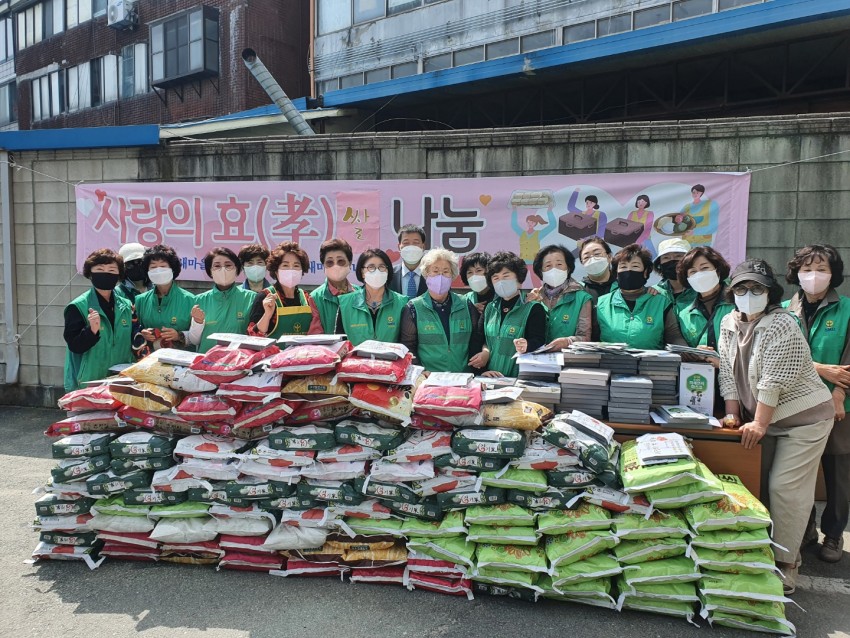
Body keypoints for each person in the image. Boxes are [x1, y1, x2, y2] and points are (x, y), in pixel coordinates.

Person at [718, 259, 834, 594]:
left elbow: (773, 381)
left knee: (785, 487)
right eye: (741, 288)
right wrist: (731, 413)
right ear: (733, 292)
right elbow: (727, 370)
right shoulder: (728, 321)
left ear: (770, 293)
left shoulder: (784, 323)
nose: (748, 294)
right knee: (761, 486)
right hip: (763, 418)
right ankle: (773, 544)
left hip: (804, 419)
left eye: (757, 288)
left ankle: (787, 562)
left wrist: (758, 422)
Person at [784, 244, 850, 563]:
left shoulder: (847, 309)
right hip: (796, 404)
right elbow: (782, 359)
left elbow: (848, 363)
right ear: (796, 272)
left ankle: (834, 535)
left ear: (833, 274)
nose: (813, 275)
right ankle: (805, 528)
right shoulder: (783, 310)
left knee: (837, 472)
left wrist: (839, 396)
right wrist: (821, 368)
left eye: (821, 269)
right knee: (799, 472)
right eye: (807, 268)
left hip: (838, 407)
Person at [400, 249, 486, 373]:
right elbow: (408, 346)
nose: (440, 276)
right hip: (429, 380)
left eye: (446, 271)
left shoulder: (465, 304)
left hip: (463, 377)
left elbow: (476, 340)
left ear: (452, 275)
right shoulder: (414, 308)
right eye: (435, 271)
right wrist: (420, 371)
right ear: (426, 274)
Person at [63, 249, 135, 390]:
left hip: (119, 380)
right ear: (90, 274)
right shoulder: (78, 306)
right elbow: (74, 346)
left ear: (119, 274)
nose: (106, 273)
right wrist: (91, 331)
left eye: (112, 270)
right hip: (87, 383)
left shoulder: (126, 306)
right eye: (100, 269)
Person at [596, 243, 686, 349]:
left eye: (635, 266)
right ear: (616, 273)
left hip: (650, 364)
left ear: (645, 272)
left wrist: (689, 352)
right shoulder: (602, 303)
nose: (628, 271)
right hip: (611, 363)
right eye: (623, 266)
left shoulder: (661, 303)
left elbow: (674, 336)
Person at [481, 251, 547, 378]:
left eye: (506, 276)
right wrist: (483, 370)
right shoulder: (490, 308)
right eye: (496, 278)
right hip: (490, 378)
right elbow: (483, 340)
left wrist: (527, 344)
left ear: (519, 278)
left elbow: (539, 340)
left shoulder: (533, 308)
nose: (500, 281)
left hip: (519, 379)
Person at [248, 241, 323, 339]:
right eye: (285, 265)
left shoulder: (306, 298)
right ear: (276, 270)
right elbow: (253, 336)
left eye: (296, 266)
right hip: (274, 353)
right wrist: (267, 314)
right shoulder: (265, 296)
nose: (291, 270)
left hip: (301, 353)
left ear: (302, 271)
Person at [336, 248, 408, 346]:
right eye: (371, 267)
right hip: (355, 360)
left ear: (387, 271)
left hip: (390, 360)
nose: (376, 272)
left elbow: (406, 343)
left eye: (382, 267)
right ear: (362, 272)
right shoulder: (345, 303)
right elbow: (339, 343)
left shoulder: (402, 303)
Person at [527, 244, 593, 350]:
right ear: (541, 271)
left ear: (568, 268)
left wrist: (568, 341)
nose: (554, 269)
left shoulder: (582, 298)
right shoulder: (534, 297)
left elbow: (585, 337)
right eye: (548, 266)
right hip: (535, 361)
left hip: (568, 360)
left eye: (559, 264)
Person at [135, 244, 200, 351]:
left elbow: (197, 335)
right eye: (153, 267)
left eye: (163, 266)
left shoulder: (191, 300)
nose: (158, 270)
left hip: (180, 361)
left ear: (172, 269)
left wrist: (179, 335)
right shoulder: (140, 300)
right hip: (149, 361)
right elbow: (135, 330)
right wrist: (143, 333)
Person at [192, 248, 257, 353]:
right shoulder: (199, 300)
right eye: (217, 266)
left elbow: (257, 336)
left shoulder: (251, 298)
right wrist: (197, 322)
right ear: (210, 271)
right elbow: (194, 340)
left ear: (236, 269)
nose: (223, 270)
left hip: (239, 361)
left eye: (228, 265)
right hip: (206, 363)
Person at [676, 246, 735, 355]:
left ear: (717, 270)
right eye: (693, 272)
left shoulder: (737, 303)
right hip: (699, 371)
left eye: (704, 268)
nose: (699, 274)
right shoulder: (685, 315)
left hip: (736, 371)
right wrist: (695, 353)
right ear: (688, 279)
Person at [311, 238, 358, 334]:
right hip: (327, 349)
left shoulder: (360, 294)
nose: (335, 266)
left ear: (349, 263)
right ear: (323, 265)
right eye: (330, 262)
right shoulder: (315, 298)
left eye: (341, 261)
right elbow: (315, 337)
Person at [511, 208, 555, 286]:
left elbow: (552, 225)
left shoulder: (538, 234)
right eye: (528, 222)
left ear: (535, 224)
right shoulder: (522, 233)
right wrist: (514, 210)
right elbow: (514, 225)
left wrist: (549, 211)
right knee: (517, 281)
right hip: (522, 262)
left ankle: (539, 296)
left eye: (532, 222)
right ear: (526, 222)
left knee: (536, 281)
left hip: (533, 262)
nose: (530, 224)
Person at [653, 238, 697, 311]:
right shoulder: (654, 292)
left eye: (678, 256)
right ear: (659, 264)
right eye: (666, 257)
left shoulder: (702, 289)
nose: (672, 260)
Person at [389, 224, 428, 298]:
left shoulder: (433, 275)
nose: (411, 247)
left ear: (423, 247)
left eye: (416, 243)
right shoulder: (389, 274)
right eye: (406, 243)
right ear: (399, 247)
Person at [577, 236, 617, 303]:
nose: (592, 259)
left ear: (609, 257)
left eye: (597, 254)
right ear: (582, 263)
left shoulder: (622, 287)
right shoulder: (578, 291)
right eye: (586, 257)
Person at [626, 194, 656, 259]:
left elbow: (648, 228)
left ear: (647, 203)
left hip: (645, 239)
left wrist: (639, 241)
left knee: (652, 256)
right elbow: (627, 226)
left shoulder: (650, 213)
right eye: (639, 202)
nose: (640, 203)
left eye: (643, 202)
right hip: (632, 239)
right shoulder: (632, 213)